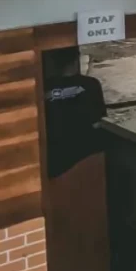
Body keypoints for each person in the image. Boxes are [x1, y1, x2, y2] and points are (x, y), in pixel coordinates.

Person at [43, 46, 107, 179]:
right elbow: (97, 123)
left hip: (54, 156)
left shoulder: (44, 87)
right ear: (76, 59)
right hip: (86, 155)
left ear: (53, 62)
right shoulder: (91, 84)